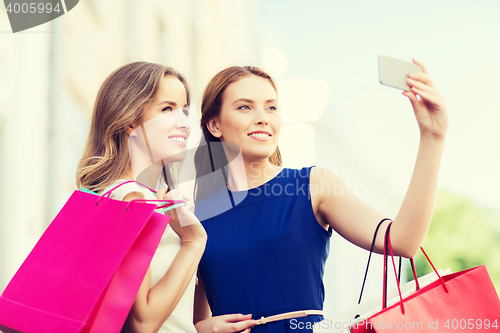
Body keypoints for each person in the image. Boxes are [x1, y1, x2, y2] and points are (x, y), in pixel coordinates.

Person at [192, 63, 448, 332]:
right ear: (214, 124)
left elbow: (402, 241)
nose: (263, 117)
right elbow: (197, 317)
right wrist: (202, 329)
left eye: (271, 107)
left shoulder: (312, 186)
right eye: (245, 107)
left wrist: (433, 136)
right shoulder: (198, 216)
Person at [76, 61, 207, 333]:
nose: (183, 123)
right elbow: (143, 323)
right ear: (130, 121)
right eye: (167, 109)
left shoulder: (141, 199)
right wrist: (194, 242)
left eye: (184, 111)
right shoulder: (130, 199)